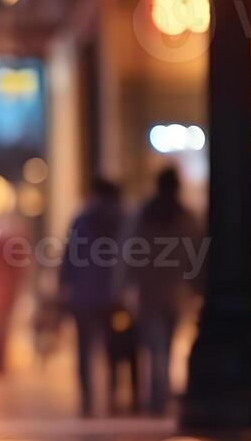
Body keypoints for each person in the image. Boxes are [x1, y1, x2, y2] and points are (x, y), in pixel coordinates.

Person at [122, 168, 202, 415]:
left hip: (150, 288)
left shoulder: (143, 215)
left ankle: (157, 396)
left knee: (155, 345)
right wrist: (197, 285)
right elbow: (196, 254)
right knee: (165, 345)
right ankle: (160, 394)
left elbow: (129, 252)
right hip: (174, 289)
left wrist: (127, 283)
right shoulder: (184, 217)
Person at [60, 178, 125, 417]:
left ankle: (87, 398)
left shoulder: (82, 219)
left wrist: (64, 285)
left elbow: (69, 256)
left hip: (83, 294)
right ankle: (113, 394)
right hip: (111, 294)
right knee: (113, 347)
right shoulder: (122, 219)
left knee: (84, 350)